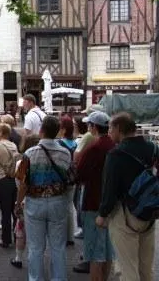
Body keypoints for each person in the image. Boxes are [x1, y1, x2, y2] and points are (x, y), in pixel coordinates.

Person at [96, 113, 158, 281]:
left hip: (125, 214)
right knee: (146, 268)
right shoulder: (152, 148)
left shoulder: (115, 154)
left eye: (110, 128)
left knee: (127, 267)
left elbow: (110, 188)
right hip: (149, 213)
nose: (109, 132)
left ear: (118, 129)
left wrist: (102, 214)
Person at [15, 116, 71, 281]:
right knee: (58, 246)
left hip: (35, 202)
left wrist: (19, 202)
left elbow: (23, 183)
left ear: (41, 130)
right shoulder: (65, 152)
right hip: (58, 201)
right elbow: (69, 178)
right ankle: (59, 278)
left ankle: (36, 278)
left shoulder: (29, 153)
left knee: (36, 247)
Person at [75, 111, 115, 281]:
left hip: (93, 201)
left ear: (93, 127)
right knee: (107, 249)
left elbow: (80, 174)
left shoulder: (94, 148)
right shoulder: (114, 145)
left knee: (94, 252)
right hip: (113, 204)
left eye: (89, 125)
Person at [11, 134, 40, 269]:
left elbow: (20, 183)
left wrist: (18, 202)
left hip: (25, 200)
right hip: (41, 199)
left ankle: (18, 257)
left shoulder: (21, 163)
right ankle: (35, 258)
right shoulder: (42, 160)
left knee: (21, 229)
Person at [0, 123, 19, 248]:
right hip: (15, 179)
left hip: (3, 180)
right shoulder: (13, 145)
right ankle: (18, 237)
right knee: (15, 211)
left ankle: (5, 239)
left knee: (5, 211)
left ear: (1, 133)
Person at [57, 115, 77, 246]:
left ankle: (64, 235)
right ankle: (70, 236)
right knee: (70, 206)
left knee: (62, 207)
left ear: (63, 130)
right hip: (73, 177)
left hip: (63, 178)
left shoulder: (60, 144)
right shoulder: (75, 143)